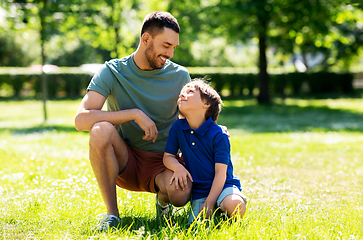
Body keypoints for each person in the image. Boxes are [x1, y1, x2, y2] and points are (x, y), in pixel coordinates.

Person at [74, 11, 192, 232]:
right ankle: (112, 215)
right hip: (125, 159)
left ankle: (163, 202)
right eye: (166, 45)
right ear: (146, 39)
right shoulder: (112, 71)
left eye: (174, 47)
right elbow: (81, 119)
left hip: (164, 162)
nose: (171, 53)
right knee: (100, 130)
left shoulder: (180, 76)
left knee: (180, 194)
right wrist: (134, 113)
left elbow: (190, 123)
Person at [163, 79, 247, 223]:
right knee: (195, 226)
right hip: (199, 191)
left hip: (224, 186)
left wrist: (209, 202)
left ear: (206, 104)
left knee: (235, 205)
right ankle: (216, 211)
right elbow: (168, 157)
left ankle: (222, 208)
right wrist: (177, 168)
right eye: (182, 92)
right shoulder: (177, 127)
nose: (182, 94)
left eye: (189, 91)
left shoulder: (219, 134)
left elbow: (221, 173)